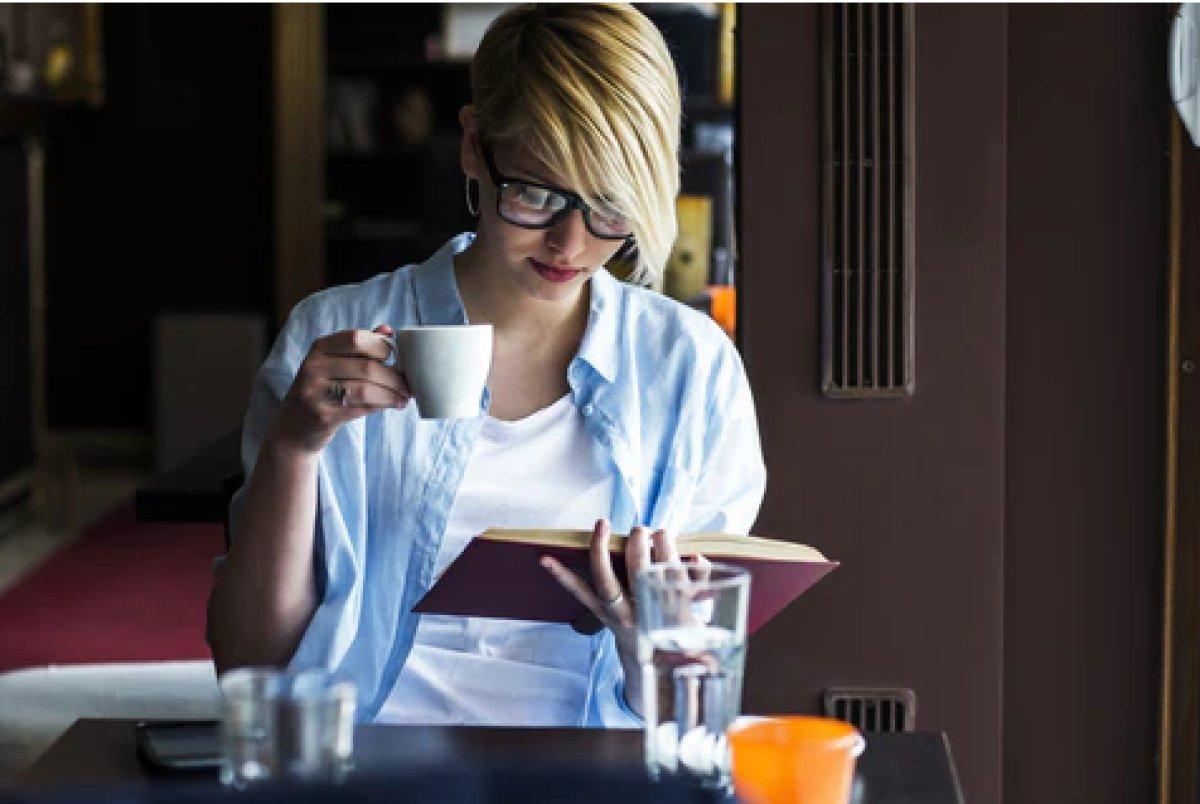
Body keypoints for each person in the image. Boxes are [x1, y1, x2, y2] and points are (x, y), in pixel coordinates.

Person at [206, 3, 765, 728]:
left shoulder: (689, 369)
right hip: (369, 764)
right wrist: (292, 448)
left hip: (590, 772)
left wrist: (650, 647)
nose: (570, 244)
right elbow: (250, 668)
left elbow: (694, 707)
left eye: (610, 206)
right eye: (535, 194)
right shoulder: (334, 336)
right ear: (475, 146)